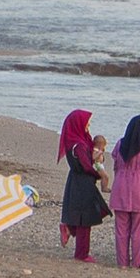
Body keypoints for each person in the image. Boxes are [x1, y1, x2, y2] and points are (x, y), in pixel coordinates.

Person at [57, 109, 110, 264]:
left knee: (82, 215)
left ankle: (68, 227)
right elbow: (86, 166)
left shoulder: (75, 140)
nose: (88, 125)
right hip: (83, 183)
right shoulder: (78, 145)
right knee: (85, 218)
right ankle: (81, 253)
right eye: (87, 122)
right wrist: (97, 175)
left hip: (76, 181)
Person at [109, 114, 140, 268]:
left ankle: (122, 262)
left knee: (121, 229)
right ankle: (138, 262)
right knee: (139, 229)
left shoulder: (120, 143)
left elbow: (116, 165)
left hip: (120, 187)